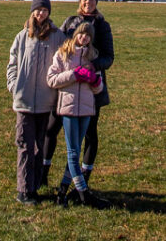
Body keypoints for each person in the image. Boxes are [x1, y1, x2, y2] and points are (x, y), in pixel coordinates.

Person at [40, 0, 114, 189]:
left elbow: (109, 56)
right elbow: (59, 46)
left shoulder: (102, 25)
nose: (87, 3)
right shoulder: (70, 22)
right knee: (51, 128)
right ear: (79, 2)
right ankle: (43, 173)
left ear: (96, 2)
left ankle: (83, 179)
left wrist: (91, 68)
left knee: (90, 134)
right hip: (66, 85)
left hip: (91, 88)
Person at [6, 0, 64, 205]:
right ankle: (24, 190)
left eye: (45, 10)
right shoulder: (22, 36)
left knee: (39, 145)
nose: (41, 14)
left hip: (45, 101)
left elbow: (69, 55)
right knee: (24, 145)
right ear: (32, 12)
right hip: (24, 101)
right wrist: (14, 86)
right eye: (38, 10)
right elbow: (12, 63)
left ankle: (36, 183)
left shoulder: (57, 36)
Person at [46, 21, 107, 207]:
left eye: (88, 36)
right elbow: (51, 79)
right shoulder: (63, 54)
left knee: (75, 152)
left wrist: (95, 81)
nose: (84, 38)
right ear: (76, 34)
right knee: (73, 152)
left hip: (87, 109)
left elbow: (99, 88)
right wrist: (74, 75)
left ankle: (62, 192)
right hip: (69, 109)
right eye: (82, 34)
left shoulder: (92, 57)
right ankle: (83, 193)